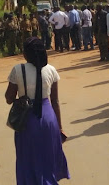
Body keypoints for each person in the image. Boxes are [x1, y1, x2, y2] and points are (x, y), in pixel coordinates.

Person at [5, 38, 69, 184]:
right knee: (47, 158)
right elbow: (55, 101)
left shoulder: (18, 70)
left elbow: (9, 98)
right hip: (48, 119)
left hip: (26, 120)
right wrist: (60, 128)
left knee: (27, 159)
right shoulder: (51, 70)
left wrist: (18, 99)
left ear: (26, 54)